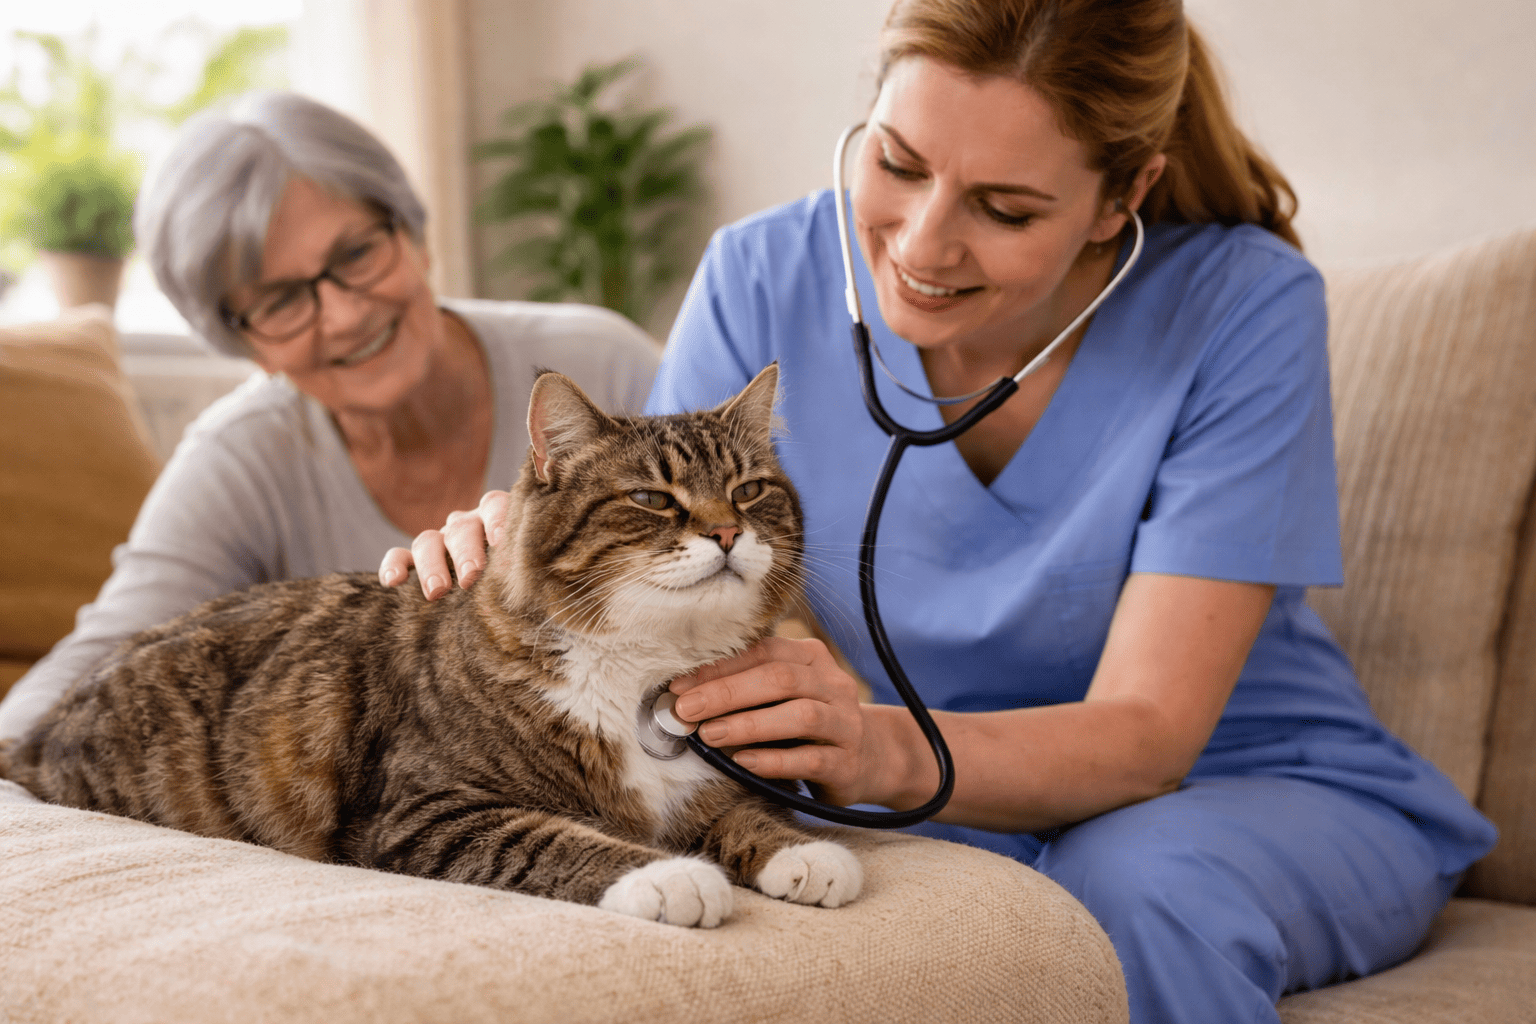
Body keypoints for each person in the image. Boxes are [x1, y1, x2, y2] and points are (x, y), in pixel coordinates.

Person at [386, 2, 1498, 1020]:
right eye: (898, 162)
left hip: (1234, 783)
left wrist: (881, 751)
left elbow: (1152, 735)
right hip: (895, 799)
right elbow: (703, 593)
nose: (919, 244)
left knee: (1134, 895)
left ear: (1125, 197)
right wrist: (533, 574)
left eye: (1005, 208)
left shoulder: (1244, 305)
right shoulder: (763, 273)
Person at [0, 91, 660, 741]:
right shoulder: (240, 456)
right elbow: (99, 662)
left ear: (413, 237)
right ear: (243, 341)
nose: (343, 316)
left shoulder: (603, 368)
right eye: (279, 299)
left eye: (353, 255)